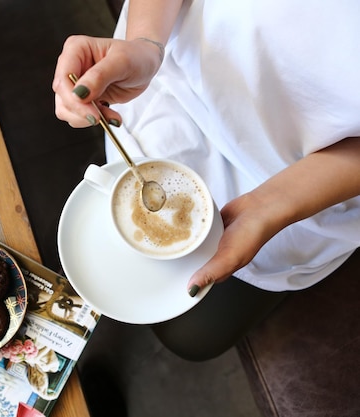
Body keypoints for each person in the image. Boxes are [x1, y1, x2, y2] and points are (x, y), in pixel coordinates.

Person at [52, 0, 360, 361]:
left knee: (190, 338)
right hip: (172, 70)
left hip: (305, 178)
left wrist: (271, 204)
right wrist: (145, 43)